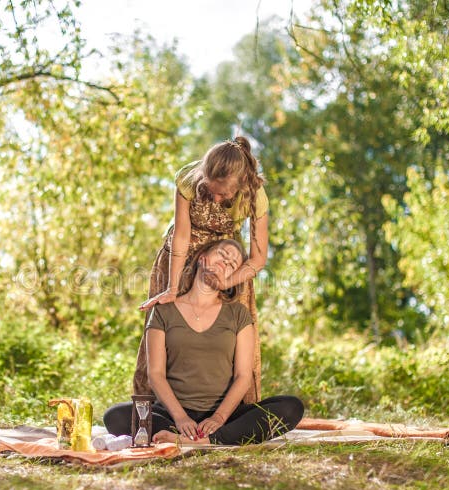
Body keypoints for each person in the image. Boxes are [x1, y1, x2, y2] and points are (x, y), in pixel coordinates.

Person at [106, 239, 303, 445]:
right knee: (115, 416)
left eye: (232, 264)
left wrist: (218, 418)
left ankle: (202, 440)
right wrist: (181, 417)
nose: (226, 262)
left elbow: (243, 376)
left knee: (291, 407)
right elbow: (155, 374)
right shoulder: (164, 311)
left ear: (232, 277)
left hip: (225, 416)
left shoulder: (238, 314)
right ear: (203, 258)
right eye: (222, 254)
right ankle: (196, 436)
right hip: (173, 414)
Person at [135, 137, 269, 405]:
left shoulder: (255, 194)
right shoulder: (188, 178)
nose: (216, 198)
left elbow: (258, 258)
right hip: (178, 258)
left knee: (232, 331)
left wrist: (227, 280)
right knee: (167, 324)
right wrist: (172, 288)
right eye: (211, 190)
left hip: (225, 261)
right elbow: (182, 237)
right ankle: (152, 410)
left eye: (224, 195)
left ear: (240, 185)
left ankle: (230, 410)